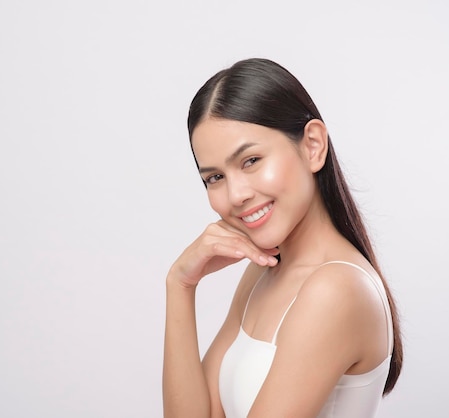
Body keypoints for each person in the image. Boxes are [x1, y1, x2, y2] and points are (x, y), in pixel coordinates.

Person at [163, 58, 403, 418]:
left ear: (312, 146)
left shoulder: (337, 289)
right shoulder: (264, 269)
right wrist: (180, 284)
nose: (236, 195)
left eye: (251, 160)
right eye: (214, 178)